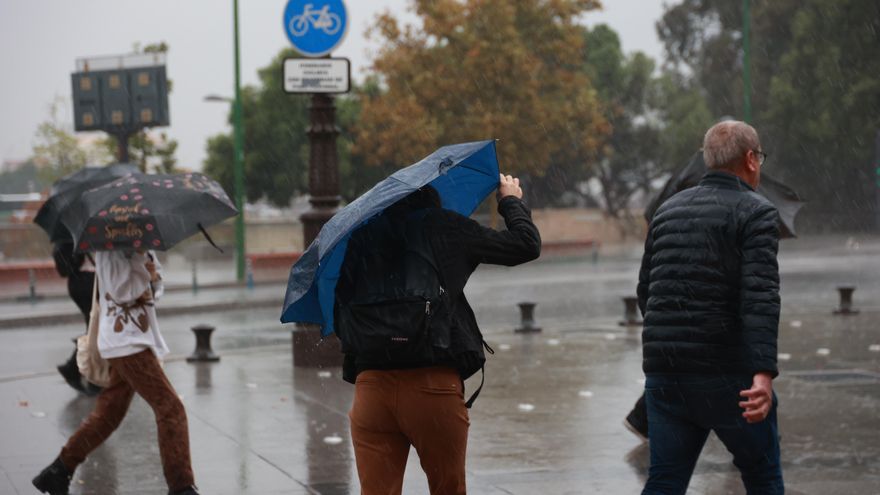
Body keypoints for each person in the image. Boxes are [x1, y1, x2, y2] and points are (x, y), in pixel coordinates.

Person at [336, 174, 541, 495]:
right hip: (431, 385)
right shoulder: (442, 226)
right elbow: (525, 244)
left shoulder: (360, 238)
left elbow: (341, 312)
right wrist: (510, 200)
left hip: (371, 389)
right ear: (433, 200)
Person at [638, 120, 783, 494]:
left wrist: (673, 339)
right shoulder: (757, 212)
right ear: (751, 159)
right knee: (762, 474)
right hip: (728, 376)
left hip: (666, 375)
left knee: (664, 481)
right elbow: (760, 296)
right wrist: (763, 374)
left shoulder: (666, 211)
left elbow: (646, 291)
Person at [33, 250, 200, 495]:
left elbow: (155, 290)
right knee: (170, 407)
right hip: (125, 341)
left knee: (109, 413)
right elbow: (121, 292)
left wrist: (152, 274)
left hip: (137, 338)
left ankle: (58, 470)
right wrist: (145, 271)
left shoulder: (138, 244)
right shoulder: (111, 248)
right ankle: (181, 487)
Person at [51, 241, 99, 394]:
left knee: (95, 329)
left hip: (80, 282)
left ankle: (76, 370)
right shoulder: (82, 235)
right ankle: (84, 374)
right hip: (87, 282)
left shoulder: (73, 234)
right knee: (96, 331)